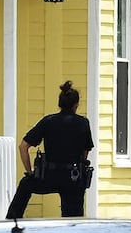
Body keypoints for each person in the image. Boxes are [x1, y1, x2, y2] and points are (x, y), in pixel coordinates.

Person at [8, 80, 94, 219]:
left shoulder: (48, 121)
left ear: (60, 104)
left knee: (25, 185)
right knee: (72, 220)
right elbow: (86, 151)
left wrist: (30, 172)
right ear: (76, 105)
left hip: (48, 176)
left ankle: (12, 221)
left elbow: (23, 146)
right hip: (72, 177)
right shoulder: (83, 123)